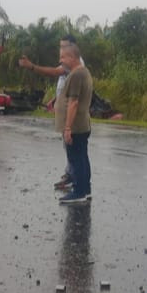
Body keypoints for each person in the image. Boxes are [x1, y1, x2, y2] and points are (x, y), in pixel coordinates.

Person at [18, 35, 84, 191]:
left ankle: (76, 180)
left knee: (72, 144)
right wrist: (55, 99)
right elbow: (66, 83)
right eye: (60, 46)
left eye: (65, 46)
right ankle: (72, 175)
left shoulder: (74, 62)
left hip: (71, 110)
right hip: (65, 105)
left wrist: (31, 66)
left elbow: (55, 72)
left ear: (73, 47)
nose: (62, 49)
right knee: (68, 145)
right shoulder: (70, 61)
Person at [54, 44, 93, 204]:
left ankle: (78, 191)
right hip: (82, 124)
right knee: (82, 157)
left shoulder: (76, 75)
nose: (60, 60)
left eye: (63, 57)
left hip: (76, 126)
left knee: (76, 159)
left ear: (72, 57)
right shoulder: (83, 72)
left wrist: (68, 128)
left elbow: (74, 103)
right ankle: (85, 189)